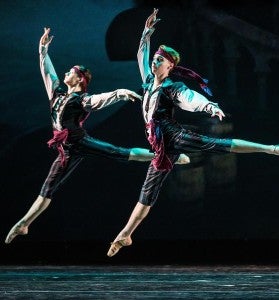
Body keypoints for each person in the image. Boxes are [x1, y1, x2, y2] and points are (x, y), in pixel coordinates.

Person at [107, 8, 279, 257]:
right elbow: (140, 54)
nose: (154, 62)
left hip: (173, 136)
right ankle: (126, 235)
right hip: (160, 146)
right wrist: (147, 31)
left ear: (170, 65)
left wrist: (209, 106)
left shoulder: (173, 87)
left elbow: (190, 98)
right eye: (154, 59)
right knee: (146, 194)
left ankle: (271, 148)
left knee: (218, 144)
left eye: (159, 60)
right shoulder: (147, 83)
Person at [4, 27, 190, 244]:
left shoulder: (81, 99)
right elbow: (48, 73)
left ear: (80, 79)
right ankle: (24, 223)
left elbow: (100, 99)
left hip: (78, 142)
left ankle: (162, 156)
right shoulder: (57, 94)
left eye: (71, 72)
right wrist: (42, 49)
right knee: (48, 187)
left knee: (117, 152)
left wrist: (120, 93)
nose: (66, 73)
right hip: (65, 150)